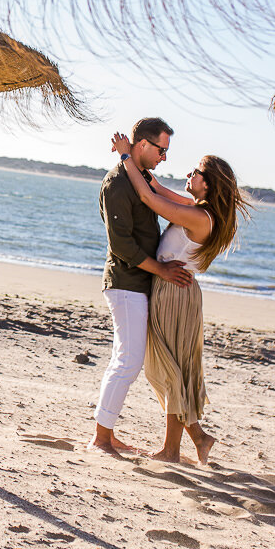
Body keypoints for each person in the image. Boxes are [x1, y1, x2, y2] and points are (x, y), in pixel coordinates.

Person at [111, 132, 249, 464]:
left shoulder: (200, 217)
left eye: (196, 173)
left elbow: (147, 198)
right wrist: (135, 158)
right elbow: (155, 187)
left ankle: (173, 450)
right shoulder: (195, 208)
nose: (189, 175)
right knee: (172, 368)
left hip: (174, 293)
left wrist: (126, 156)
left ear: (209, 184)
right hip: (175, 290)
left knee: (169, 368)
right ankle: (198, 438)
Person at [89, 117, 193, 457]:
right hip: (125, 283)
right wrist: (161, 270)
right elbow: (122, 247)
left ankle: (107, 434)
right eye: (161, 149)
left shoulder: (141, 177)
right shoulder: (117, 184)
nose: (164, 157)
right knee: (128, 361)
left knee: (133, 360)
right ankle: (102, 438)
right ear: (143, 145)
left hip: (142, 284)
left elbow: (164, 198)